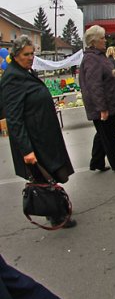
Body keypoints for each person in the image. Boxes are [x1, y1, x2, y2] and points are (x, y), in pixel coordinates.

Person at [0, 36, 76, 228]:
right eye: (26, 54)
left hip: (42, 134)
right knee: (44, 177)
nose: (31, 57)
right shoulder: (12, 79)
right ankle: (55, 215)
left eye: (32, 53)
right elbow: (14, 119)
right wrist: (26, 150)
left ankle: (58, 209)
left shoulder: (25, 71)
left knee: (50, 173)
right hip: (34, 139)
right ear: (15, 55)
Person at [79, 25, 115, 173]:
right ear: (94, 41)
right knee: (110, 137)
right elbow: (94, 85)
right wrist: (102, 108)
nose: (105, 40)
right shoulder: (92, 59)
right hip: (104, 106)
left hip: (109, 103)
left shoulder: (98, 56)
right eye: (102, 38)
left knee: (102, 134)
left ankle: (96, 162)